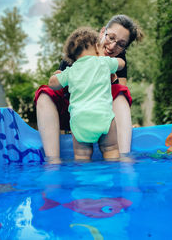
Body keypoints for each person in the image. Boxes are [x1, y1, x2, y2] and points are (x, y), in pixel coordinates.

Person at [34, 15, 143, 162]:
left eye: (120, 44)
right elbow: (57, 88)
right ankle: (53, 159)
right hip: (74, 115)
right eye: (111, 38)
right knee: (44, 93)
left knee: (121, 93)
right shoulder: (78, 55)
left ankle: (123, 156)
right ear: (102, 32)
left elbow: (121, 91)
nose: (112, 47)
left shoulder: (112, 61)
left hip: (102, 114)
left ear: (124, 47)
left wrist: (112, 79)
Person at [49, 27, 125, 160]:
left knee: (81, 155)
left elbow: (53, 84)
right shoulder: (103, 62)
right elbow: (121, 63)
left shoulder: (70, 70)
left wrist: (57, 75)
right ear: (97, 46)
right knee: (111, 149)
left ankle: (85, 179)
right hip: (103, 116)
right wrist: (104, 58)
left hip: (80, 120)